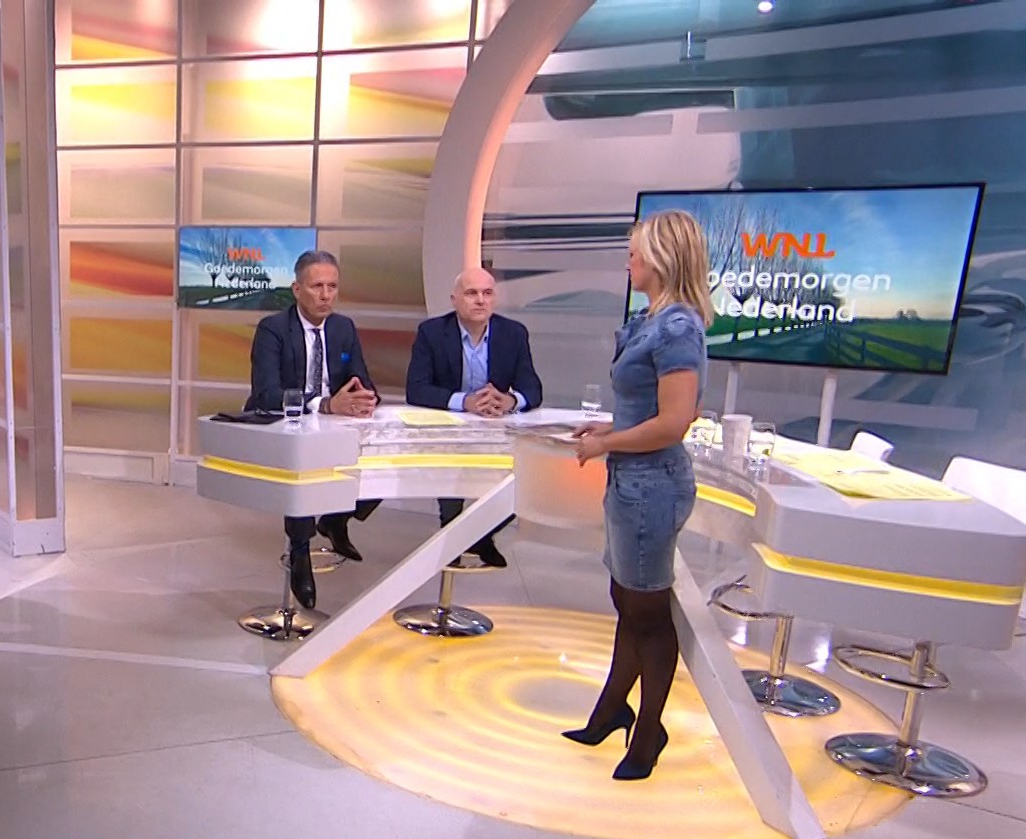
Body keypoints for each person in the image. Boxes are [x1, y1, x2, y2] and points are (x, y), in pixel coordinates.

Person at [560, 209, 712, 781]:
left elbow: (674, 421)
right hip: (630, 480)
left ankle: (649, 733)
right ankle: (611, 710)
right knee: (627, 600)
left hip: (653, 485)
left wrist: (607, 443)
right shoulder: (650, 321)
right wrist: (608, 430)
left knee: (647, 611)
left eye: (636, 252)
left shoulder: (677, 328)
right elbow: (645, 408)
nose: (629, 261)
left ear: (663, 258)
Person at [245, 250, 381, 612]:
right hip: (287, 424)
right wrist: (323, 404)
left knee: (385, 456)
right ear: (297, 289)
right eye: (317, 286)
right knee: (304, 466)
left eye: (332, 287)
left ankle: (336, 520)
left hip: (335, 423)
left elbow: (360, 377)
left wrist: (365, 397)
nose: (326, 295)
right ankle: (300, 550)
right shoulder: (273, 329)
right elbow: (266, 394)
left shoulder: (343, 328)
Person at [405, 268, 544, 568]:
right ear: (454, 300)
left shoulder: (513, 333)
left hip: (495, 428)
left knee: (519, 482)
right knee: (451, 480)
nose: (480, 300)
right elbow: (416, 389)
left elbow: (533, 388)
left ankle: (481, 536)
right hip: (450, 429)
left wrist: (510, 401)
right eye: (471, 293)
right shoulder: (432, 332)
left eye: (487, 293)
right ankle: (451, 538)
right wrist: (465, 402)